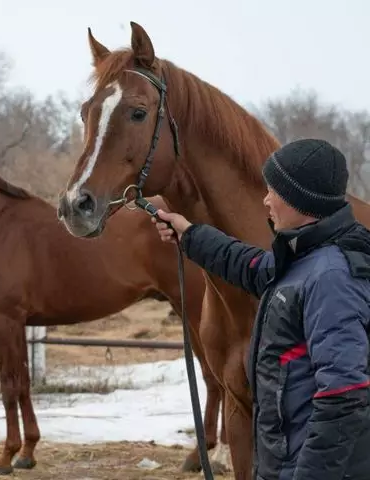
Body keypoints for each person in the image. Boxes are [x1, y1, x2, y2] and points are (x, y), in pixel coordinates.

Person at [153, 138, 370, 480]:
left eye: (274, 192)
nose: (266, 200)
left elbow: (343, 396)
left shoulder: (331, 277)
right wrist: (190, 236)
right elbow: (252, 266)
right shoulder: (306, 259)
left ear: (302, 200)